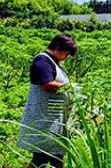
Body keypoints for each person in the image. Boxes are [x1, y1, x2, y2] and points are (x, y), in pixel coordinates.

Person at [18, 34, 78, 168]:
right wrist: (71, 87)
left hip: (52, 119)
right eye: (66, 53)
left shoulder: (53, 62)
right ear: (57, 48)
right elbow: (47, 85)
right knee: (41, 158)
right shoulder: (42, 61)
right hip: (43, 119)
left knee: (57, 156)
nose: (66, 57)